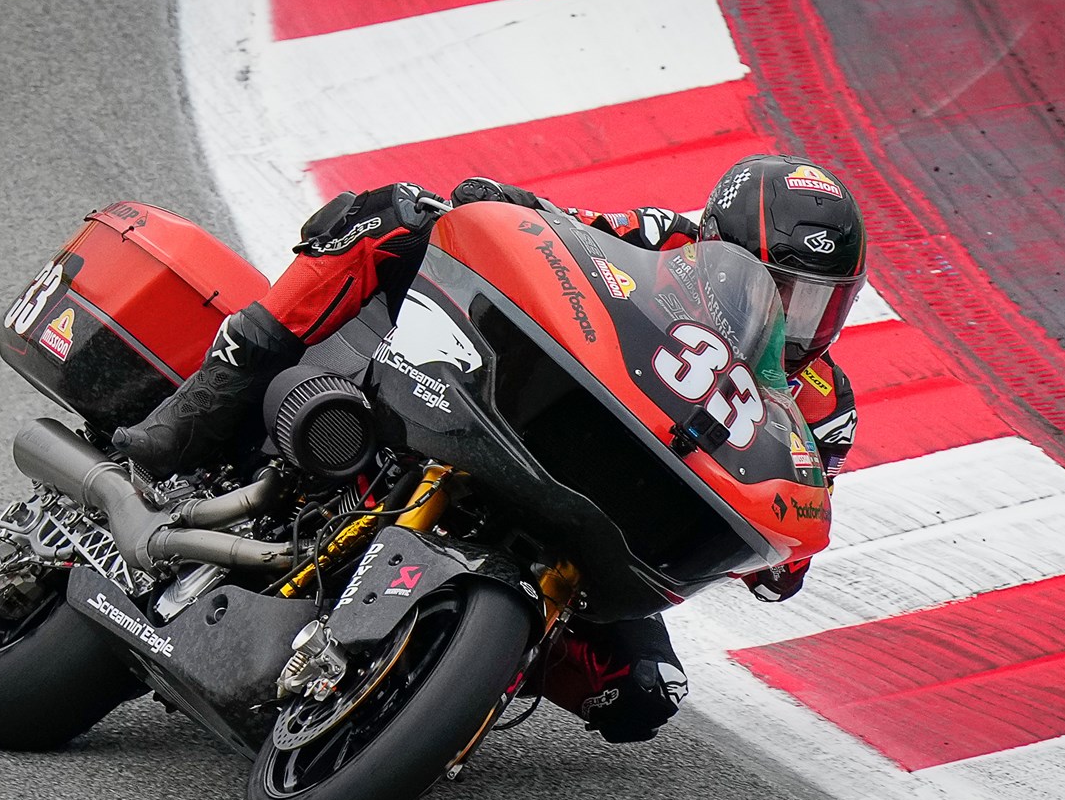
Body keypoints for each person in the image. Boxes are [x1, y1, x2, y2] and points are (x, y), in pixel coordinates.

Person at [112, 155, 866, 742]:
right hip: (534, 427)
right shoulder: (665, 241)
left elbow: (787, 537)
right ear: (717, 247)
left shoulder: (824, 407)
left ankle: (448, 669)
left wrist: (780, 554)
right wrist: (510, 204)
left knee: (642, 695)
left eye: (821, 303)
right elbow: (567, 236)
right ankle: (204, 406)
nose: (796, 322)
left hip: (612, 529)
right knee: (399, 212)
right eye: (781, 291)